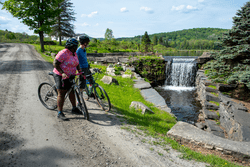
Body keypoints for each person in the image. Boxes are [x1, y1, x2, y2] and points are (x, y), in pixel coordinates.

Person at [53, 38, 83, 120]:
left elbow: (77, 63)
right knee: (62, 93)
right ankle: (60, 113)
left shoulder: (74, 53)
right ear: (70, 46)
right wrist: (62, 73)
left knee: (72, 91)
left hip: (71, 75)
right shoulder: (63, 53)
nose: (76, 48)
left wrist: (80, 71)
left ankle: (74, 108)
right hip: (60, 74)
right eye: (75, 47)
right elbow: (55, 63)